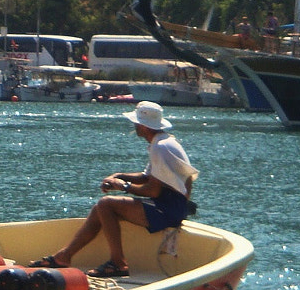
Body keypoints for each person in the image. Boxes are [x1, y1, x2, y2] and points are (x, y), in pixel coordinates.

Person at [34, 101, 198, 279]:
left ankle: (118, 263)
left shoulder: (160, 147)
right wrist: (120, 176)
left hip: (168, 209)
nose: (134, 125)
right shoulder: (163, 141)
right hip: (170, 205)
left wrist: (124, 187)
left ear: (143, 126)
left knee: (106, 204)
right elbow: (147, 177)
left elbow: (153, 191)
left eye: (136, 122)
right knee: (100, 209)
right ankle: (63, 257)